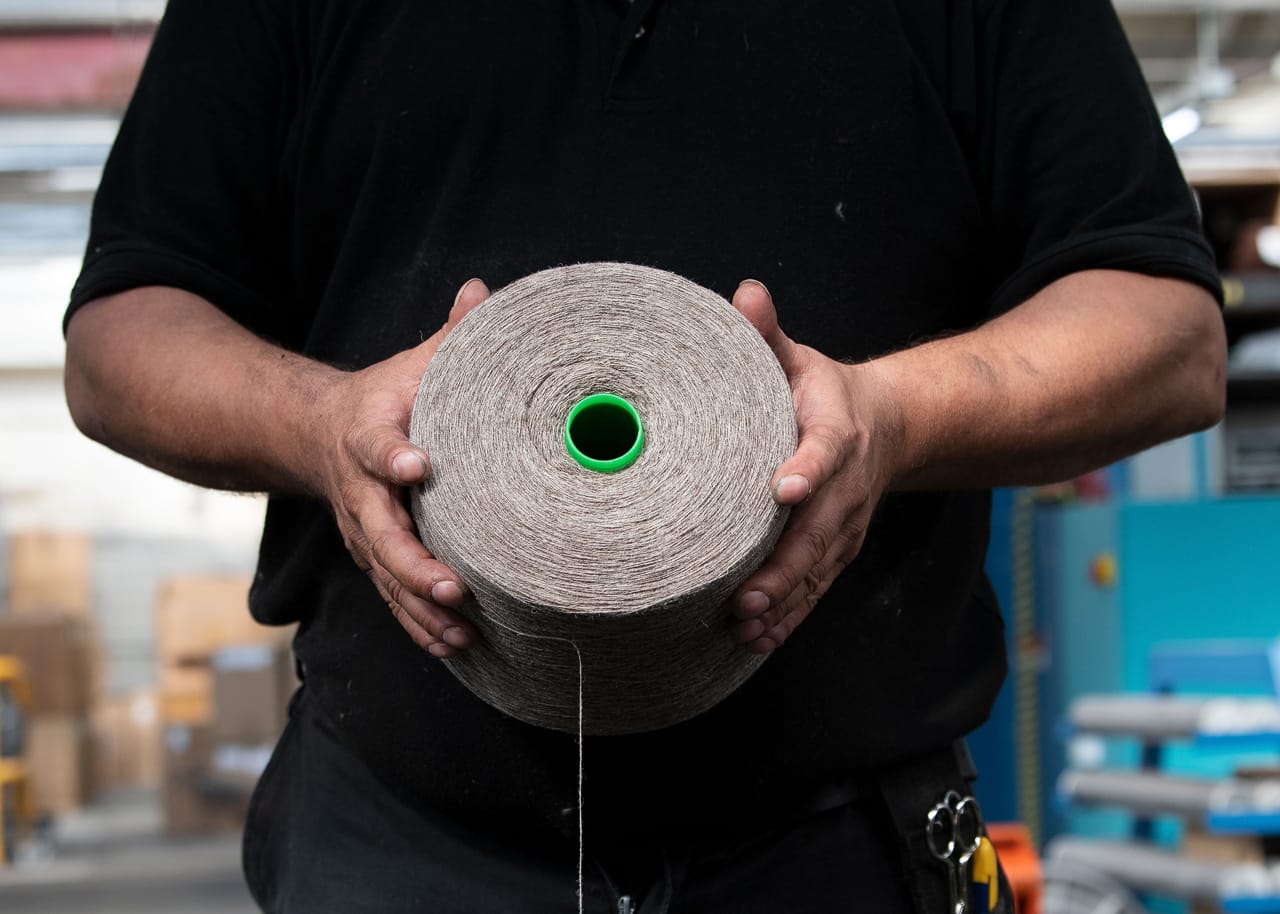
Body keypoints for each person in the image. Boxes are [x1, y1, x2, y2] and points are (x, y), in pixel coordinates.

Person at [63, 1, 1226, 911]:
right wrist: (317, 423)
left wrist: (892, 413)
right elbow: (122, 342)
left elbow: (1168, 335)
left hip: (840, 852)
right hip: (403, 845)